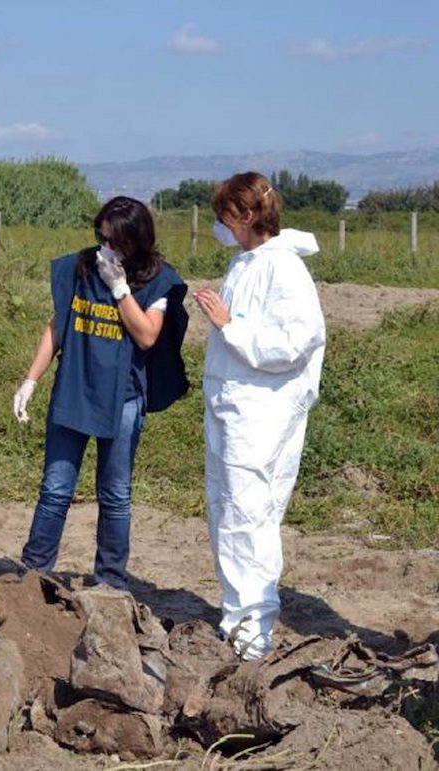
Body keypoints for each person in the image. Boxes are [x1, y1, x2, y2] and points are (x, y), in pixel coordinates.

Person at [13, 196, 188, 590]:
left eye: (115, 242)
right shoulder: (81, 267)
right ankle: (33, 576)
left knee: (114, 495)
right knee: (55, 490)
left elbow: (146, 336)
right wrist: (31, 379)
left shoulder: (157, 280)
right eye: (101, 238)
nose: (105, 248)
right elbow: (58, 326)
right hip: (74, 390)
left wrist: (120, 289)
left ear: (137, 241)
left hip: (122, 399)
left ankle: (109, 583)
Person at [194, 172, 325, 661]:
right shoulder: (248, 263)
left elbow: (295, 341)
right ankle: (238, 621)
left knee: (249, 517)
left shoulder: (283, 269)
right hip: (235, 412)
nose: (219, 226)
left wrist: (232, 326)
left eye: (225, 217)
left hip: (259, 418)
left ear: (247, 216)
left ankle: (251, 634)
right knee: (230, 515)